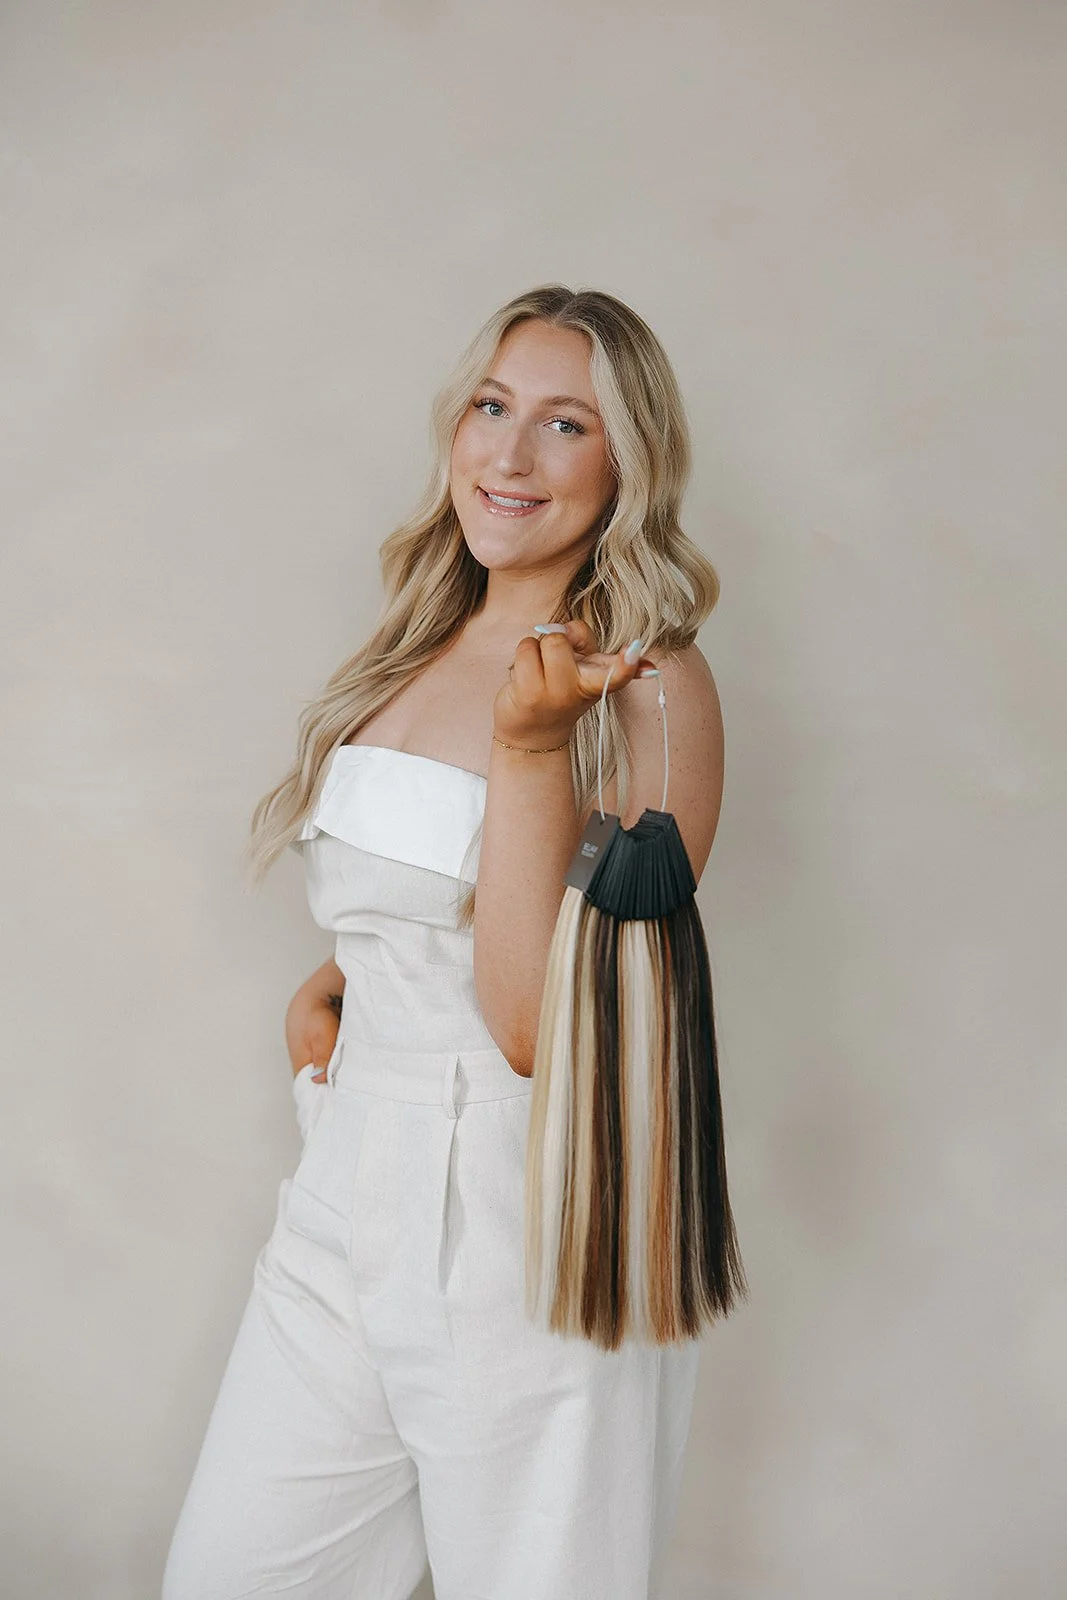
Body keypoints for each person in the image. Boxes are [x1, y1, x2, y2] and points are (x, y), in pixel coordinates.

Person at [162, 283, 726, 1600]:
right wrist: (344, 995)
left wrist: (532, 754)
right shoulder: (419, 638)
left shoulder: (643, 683)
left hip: (534, 1214)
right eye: (491, 406)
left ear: (626, 462)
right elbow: (402, 898)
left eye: (565, 424)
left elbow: (543, 1030)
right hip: (347, 1181)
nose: (509, 456)